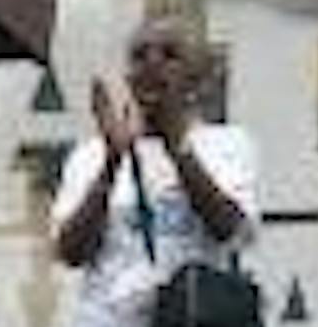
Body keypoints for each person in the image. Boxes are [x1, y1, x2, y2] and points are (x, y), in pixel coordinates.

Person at [52, 16, 260, 327]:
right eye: (140, 55)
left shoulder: (226, 144)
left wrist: (178, 147)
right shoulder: (90, 155)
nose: (153, 63)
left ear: (196, 78)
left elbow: (229, 229)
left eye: (170, 54)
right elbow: (70, 252)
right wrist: (111, 163)